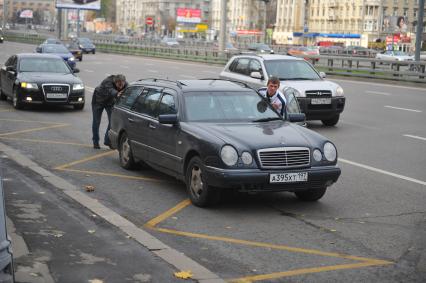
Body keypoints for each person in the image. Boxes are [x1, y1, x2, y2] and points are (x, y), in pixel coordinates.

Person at [91, 74, 127, 149]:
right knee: (96, 122)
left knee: (112, 122)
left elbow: (129, 89)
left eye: (122, 85)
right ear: (115, 82)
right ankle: (95, 141)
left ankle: (107, 140)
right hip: (98, 100)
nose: (120, 87)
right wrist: (117, 93)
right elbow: (111, 90)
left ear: (124, 81)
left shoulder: (125, 83)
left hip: (109, 102)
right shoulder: (108, 81)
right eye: (118, 85)